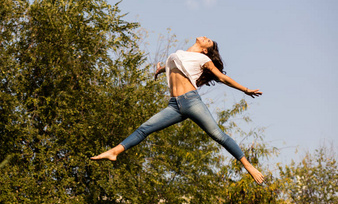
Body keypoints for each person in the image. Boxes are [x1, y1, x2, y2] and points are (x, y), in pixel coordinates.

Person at [91, 36, 265, 185]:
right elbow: (178, 66)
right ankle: (114, 152)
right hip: (174, 106)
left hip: (191, 102)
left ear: (206, 50)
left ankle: (248, 165)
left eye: (208, 40)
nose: (205, 37)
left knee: (218, 135)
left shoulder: (204, 60)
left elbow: (222, 77)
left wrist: (245, 90)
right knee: (145, 128)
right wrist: (161, 69)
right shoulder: (180, 54)